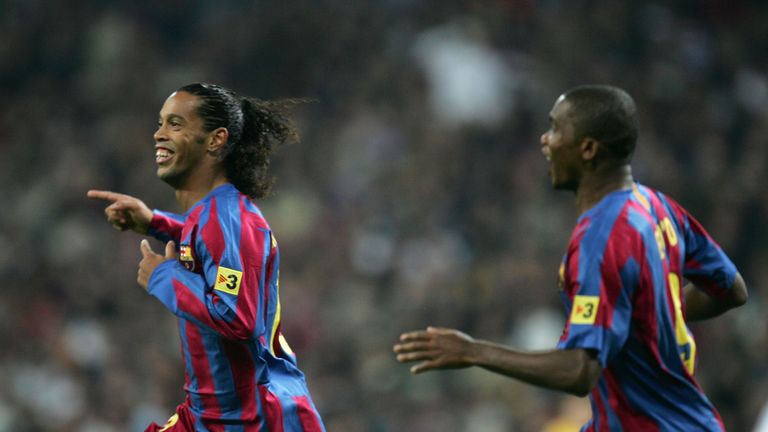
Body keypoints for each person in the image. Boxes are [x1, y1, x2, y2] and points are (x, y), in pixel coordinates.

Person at [393, 85, 748, 431]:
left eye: (555, 128)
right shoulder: (658, 206)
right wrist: (650, 317)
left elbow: (579, 370)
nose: (544, 140)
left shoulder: (602, 238)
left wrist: (473, 352)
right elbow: (731, 289)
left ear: (588, 148)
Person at [88, 83, 325, 432]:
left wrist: (164, 275)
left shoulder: (229, 219)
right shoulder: (213, 216)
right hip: (213, 414)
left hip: (254, 419)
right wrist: (154, 223)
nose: (159, 134)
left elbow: (237, 317)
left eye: (175, 124)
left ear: (215, 140)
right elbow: (206, 244)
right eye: (160, 123)